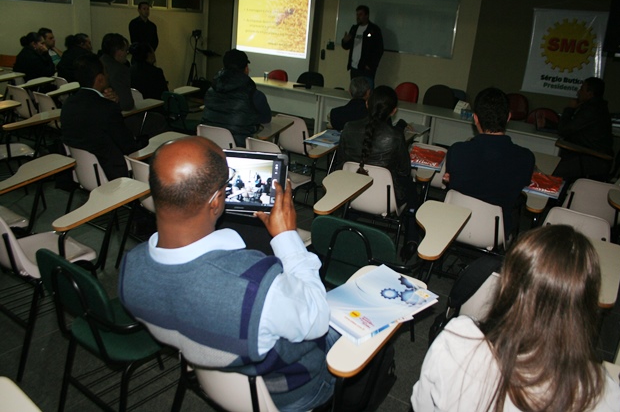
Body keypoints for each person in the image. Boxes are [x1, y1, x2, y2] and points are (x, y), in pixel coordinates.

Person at [118, 136, 336, 411]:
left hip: (212, 376)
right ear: (216, 201)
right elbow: (317, 318)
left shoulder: (129, 269)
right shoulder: (256, 287)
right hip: (291, 392)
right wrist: (287, 238)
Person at [411, 225, 620, 411]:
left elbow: (421, 404)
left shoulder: (456, 342)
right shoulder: (602, 393)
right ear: (587, 306)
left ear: (508, 284)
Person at [336, 85, 419, 258]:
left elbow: (341, 163)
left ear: (367, 104)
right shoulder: (395, 136)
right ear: (393, 111)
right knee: (413, 188)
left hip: (351, 194)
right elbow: (404, 171)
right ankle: (412, 239)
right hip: (386, 200)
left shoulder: (349, 127)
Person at [444, 87, 534, 236]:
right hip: (495, 232)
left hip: (455, 225)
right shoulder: (525, 157)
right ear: (508, 117)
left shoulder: (457, 151)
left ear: (475, 118)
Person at [60, 53, 148, 180]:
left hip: (82, 171)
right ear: (100, 79)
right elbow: (128, 145)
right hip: (110, 172)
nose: (108, 75)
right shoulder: (106, 108)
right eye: (106, 72)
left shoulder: (68, 103)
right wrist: (145, 141)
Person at [100, 33, 167, 136]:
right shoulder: (120, 70)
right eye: (125, 50)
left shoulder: (99, 63)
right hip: (119, 121)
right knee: (158, 120)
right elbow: (127, 104)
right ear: (118, 51)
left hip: (100, 121)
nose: (127, 53)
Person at [201, 49, 272, 147]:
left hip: (209, 144)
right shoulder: (255, 95)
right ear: (246, 69)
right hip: (237, 148)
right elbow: (266, 118)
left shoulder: (210, 91)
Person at [553, 77, 613, 181]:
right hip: (588, 155)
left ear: (590, 93)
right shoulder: (597, 107)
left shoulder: (592, 110)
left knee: (552, 171)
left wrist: (570, 109)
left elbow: (564, 130)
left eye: (582, 89)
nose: (578, 92)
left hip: (591, 160)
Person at [341, 5, 384, 88]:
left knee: (366, 91)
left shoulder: (374, 30)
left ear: (367, 15)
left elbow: (379, 49)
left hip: (366, 68)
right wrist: (345, 41)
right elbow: (346, 46)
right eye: (357, 15)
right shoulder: (354, 29)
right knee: (355, 91)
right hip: (354, 67)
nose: (358, 17)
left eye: (360, 14)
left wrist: (371, 65)